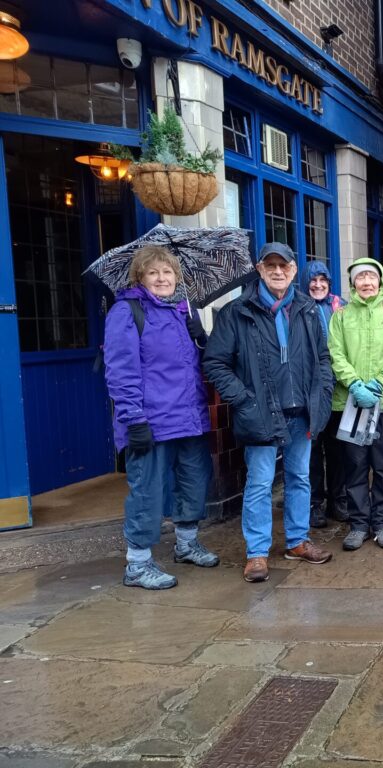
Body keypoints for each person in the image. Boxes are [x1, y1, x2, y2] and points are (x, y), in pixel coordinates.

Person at [204, 242, 335, 583]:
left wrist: (320, 394)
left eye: (285, 266)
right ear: (259, 269)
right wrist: (244, 399)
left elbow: (323, 358)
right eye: (271, 266)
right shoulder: (238, 311)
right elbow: (215, 362)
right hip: (260, 411)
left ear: (294, 270)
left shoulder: (307, 308)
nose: (278, 271)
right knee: (260, 483)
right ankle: (257, 553)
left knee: (300, 478)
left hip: (301, 411)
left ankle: (297, 541)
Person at [103, 245, 218, 590]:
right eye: (153, 272)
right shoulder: (127, 312)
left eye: (167, 272)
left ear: (177, 277)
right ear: (140, 277)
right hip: (150, 420)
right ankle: (137, 564)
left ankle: (186, 544)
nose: (162, 278)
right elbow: (121, 370)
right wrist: (133, 418)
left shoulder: (184, 311)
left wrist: (203, 338)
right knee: (148, 492)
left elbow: (198, 362)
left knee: (194, 481)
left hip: (190, 416)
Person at [329, 257, 383, 550]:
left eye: (371, 277)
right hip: (351, 403)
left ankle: (382, 523)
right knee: (354, 466)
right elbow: (335, 355)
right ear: (353, 283)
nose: (366, 282)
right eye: (360, 277)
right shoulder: (340, 316)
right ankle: (358, 524)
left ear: (380, 281)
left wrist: (379, 382)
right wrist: (354, 384)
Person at [298, 260, 347, 529]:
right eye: (313, 281)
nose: (318, 285)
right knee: (313, 451)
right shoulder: (297, 308)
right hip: (310, 390)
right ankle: (315, 503)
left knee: (338, 449)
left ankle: (338, 499)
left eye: (323, 281)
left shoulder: (342, 308)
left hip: (338, 390)